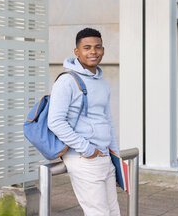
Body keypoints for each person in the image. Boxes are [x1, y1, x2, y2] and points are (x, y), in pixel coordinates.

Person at [47, 27, 120, 216]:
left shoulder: (102, 83)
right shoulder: (67, 81)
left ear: (103, 50)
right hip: (83, 157)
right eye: (87, 47)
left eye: (97, 47)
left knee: (113, 212)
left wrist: (116, 156)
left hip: (105, 157)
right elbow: (55, 122)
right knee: (98, 213)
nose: (93, 52)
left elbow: (107, 120)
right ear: (77, 52)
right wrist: (87, 149)